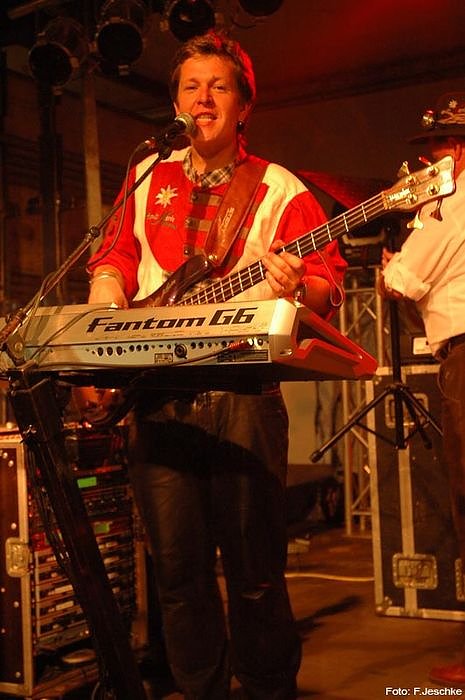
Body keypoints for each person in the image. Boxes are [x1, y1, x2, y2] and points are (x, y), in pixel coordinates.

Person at [88, 30, 346, 699]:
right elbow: (114, 257)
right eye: (190, 86)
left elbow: (327, 283)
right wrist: (103, 314)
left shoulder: (279, 188)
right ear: (175, 101)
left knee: (255, 570)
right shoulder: (146, 176)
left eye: (218, 86)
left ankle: (266, 689)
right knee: (177, 573)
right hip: (158, 391)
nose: (202, 98)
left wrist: (299, 286)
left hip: (242, 391)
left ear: (243, 105)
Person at [379, 92, 465, 688]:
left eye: (435, 148)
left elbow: (404, 278)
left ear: (455, 150)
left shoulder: (447, 203)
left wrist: (390, 265)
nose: (428, 161)